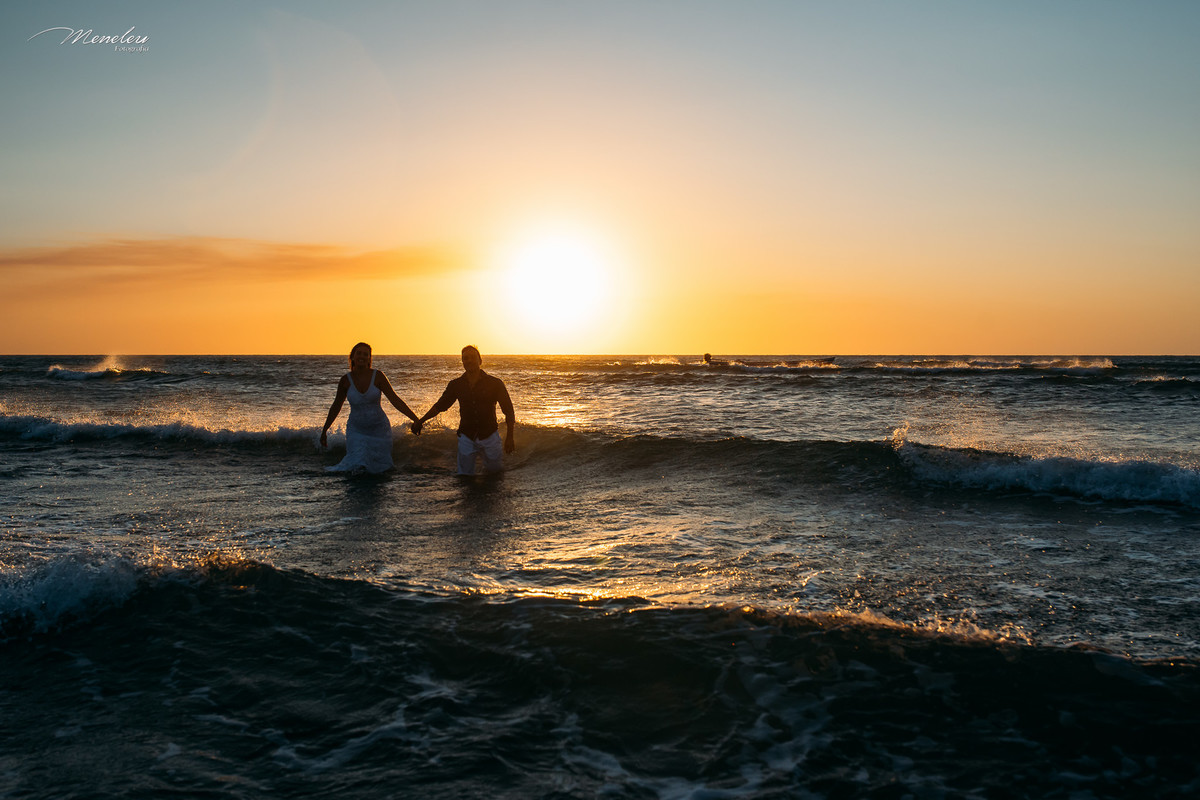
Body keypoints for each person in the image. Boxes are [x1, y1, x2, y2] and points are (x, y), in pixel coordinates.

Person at [413, 345, 515, 475]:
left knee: (495, 476)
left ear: (480, 360)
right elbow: (440, 406)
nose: (469, 361)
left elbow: (508, 410)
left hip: (490, 436)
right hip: (466, 437)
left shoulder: (495, 383)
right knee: (464, 477)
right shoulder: (456, 385)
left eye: (473, 357)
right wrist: (421, 421)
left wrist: (510, 437)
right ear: (462, 362)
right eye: (465, 358)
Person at [320, 342, 420, 473]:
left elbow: (395, 400)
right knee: (357, 465)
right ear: (352, 357)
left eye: (365, 354)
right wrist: (325, 430)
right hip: (356, 430)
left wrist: (415, 419)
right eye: (359, 353)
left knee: (381, 469)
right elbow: (336, 406)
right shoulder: (345, 380)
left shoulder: (378, 376)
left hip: (379, 430)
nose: (362, 356)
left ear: (369, 358)